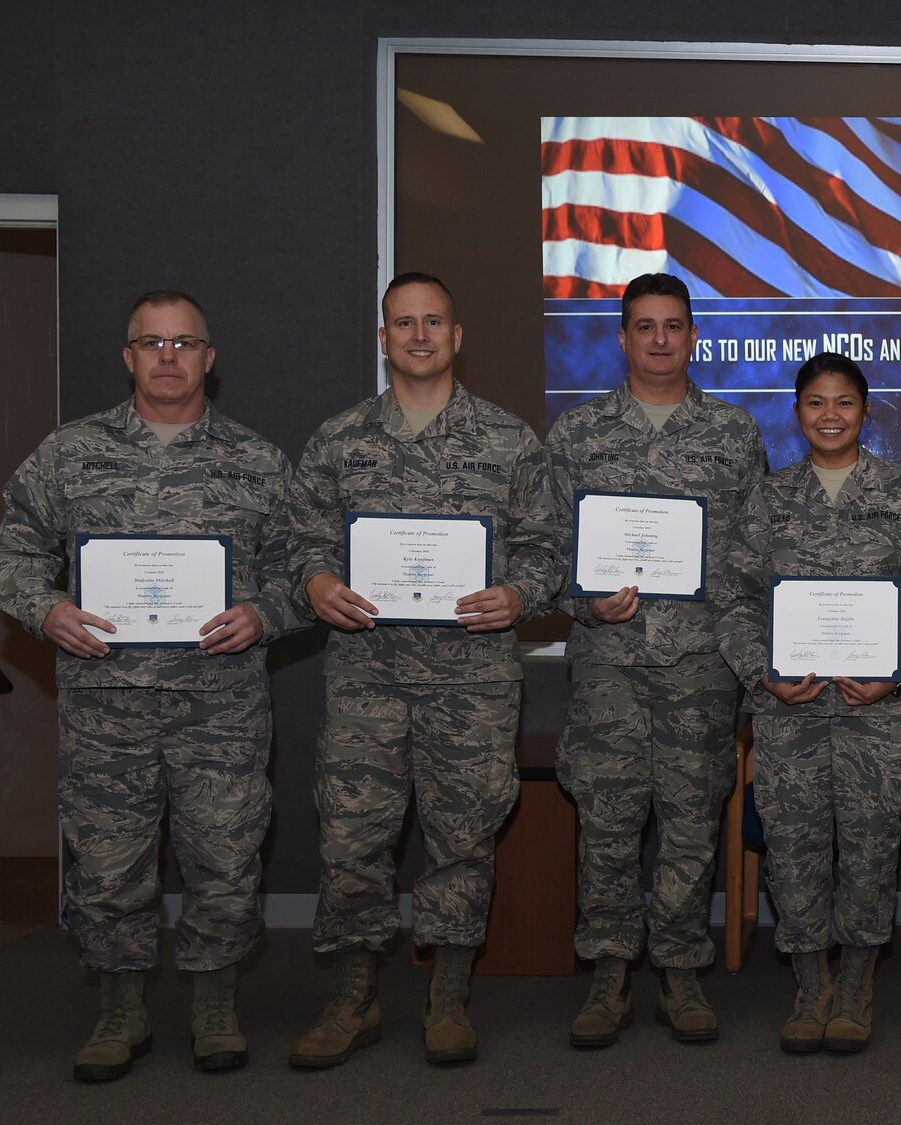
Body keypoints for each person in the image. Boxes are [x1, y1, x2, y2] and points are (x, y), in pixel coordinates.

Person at [0, 290, 298, 1080]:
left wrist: (263, 614)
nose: (168, 356)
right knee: (106, 864)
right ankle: (119, 1009)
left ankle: (215, 1004)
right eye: (151, 343)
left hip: (220, 708)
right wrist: (47, 607)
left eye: (184, 342)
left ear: (208, 357)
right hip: (105, 710)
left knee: (226, 860)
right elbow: (12, 557)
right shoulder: (68, 454)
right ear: (128, 357)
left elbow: (305, 574)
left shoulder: (259, 462)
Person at [285, 272, 563, 1068]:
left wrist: (517, 591)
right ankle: (353, 995)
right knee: (350, 840)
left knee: (463, 840)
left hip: (471, 683)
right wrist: (316, 583)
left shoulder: (510, 442)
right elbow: (303, 542)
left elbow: (549, 553)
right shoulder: (339, 440)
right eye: (402, 323)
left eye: (432, 321)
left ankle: (448, 993)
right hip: (366, 676)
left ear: (457, 335)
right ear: (382, 340)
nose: (417, 335)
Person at [546, 272, 764, 1049]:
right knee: (605, 818)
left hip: (703, 667)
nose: (661, 339)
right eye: (645, 326)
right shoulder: (576, 435)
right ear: (623, 338)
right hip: (607, 661)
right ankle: (608, 970)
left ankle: (678, 964)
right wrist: (582, 598)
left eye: (674, 326)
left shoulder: (735, 435)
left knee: (690, 819)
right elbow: (547, 551)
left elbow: (750, 554)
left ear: (694, 337)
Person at [714, 352, 901, 1054]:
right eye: (815, 402)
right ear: (797, 413)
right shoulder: (769, 498)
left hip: (879, 714)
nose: (829, 415)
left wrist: (898, 672)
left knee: (873, 850)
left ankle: (855, 983)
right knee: (794, 849)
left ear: (865, 411)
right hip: (790, 713)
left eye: (843, 402)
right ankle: (809, 982)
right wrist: (765, 673)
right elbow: (734, 601)